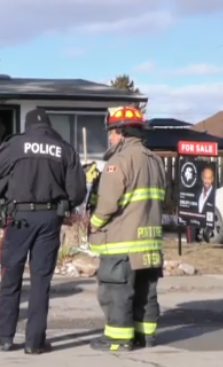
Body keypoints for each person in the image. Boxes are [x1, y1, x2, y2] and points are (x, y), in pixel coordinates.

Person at [0, 107, 87, 354]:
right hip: (50, 219)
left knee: (10, 278)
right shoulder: (64, 149)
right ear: (49, 126)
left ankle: (5, 337)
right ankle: (34, 342)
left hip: (19, 218)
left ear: (27, 125)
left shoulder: (17, 144)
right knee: (41, 281)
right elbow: (77, 192)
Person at [88, 105, 166, 352]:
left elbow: (108, 204)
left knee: (116, 291)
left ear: (121, 132)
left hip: (123, 242)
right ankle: (146, 336)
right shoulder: (155, 161)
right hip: (150, 243)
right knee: (146, 291)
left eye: (111, 131)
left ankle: (118, 339)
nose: (110, 137)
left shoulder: (119, 161)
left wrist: (94, 224)